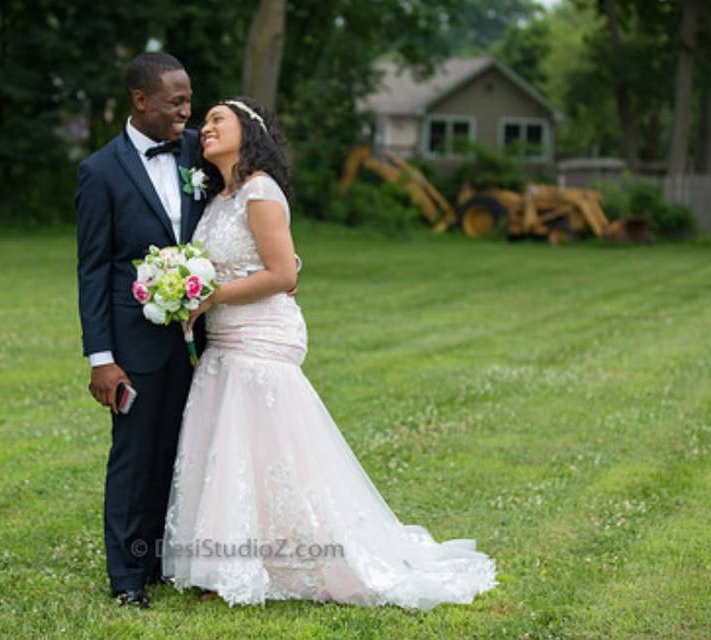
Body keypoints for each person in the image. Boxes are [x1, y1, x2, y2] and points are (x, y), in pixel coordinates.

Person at [161, 96, 498, 609]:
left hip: (259, 335)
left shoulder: (260, 191)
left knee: (272, 447)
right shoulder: (219, 198)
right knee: (230, 446)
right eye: (203, 121)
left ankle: (291, 559)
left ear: (247, 133)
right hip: (226, 340)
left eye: (216, 120)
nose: (204, 127)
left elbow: (283, 274)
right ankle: (225, 564)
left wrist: (212, 298)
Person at [75, 52, 206, 609]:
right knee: (134, 459)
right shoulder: (100, 171)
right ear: (140, 100)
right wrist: (101, 358)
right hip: (134, 345)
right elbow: (93, 268)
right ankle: (128, 577)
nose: (186, 109)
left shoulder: (200, 149)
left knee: (181, 452)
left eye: (189, 99)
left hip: (203, 341)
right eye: (176, 100)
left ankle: (163, 560)